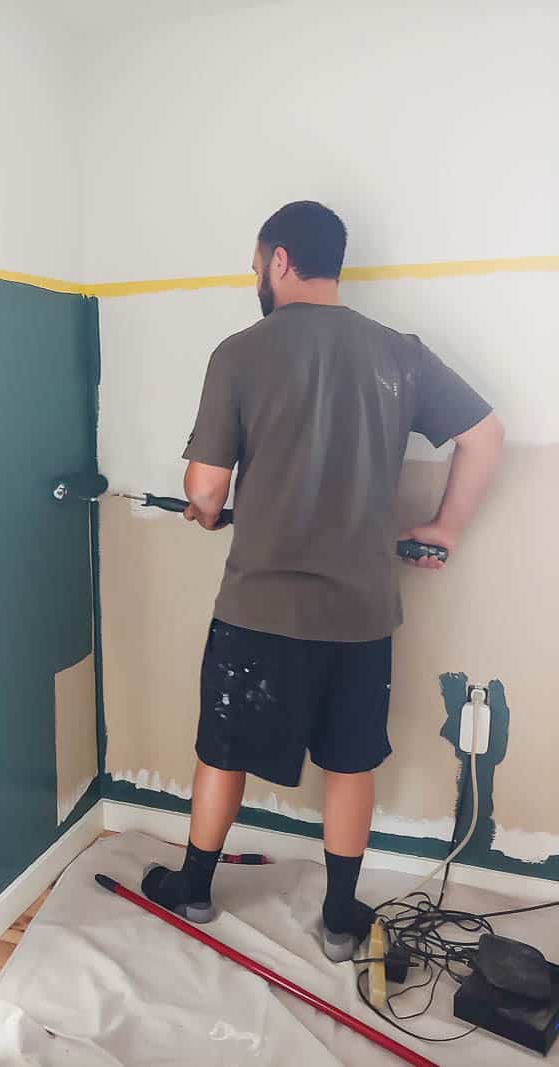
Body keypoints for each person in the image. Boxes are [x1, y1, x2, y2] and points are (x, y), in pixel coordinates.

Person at [141, 200, 505, 962]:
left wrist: (206, 514)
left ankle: (195, 887)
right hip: (361, 614)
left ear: (278, 261)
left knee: (223, 749)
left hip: (258, 608)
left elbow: (205, 491)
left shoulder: (239, 353)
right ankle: (341, 919)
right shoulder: (396, 354)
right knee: (349, 762)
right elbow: (484, 435)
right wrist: (444, 528)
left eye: (255, 266)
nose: (256, 279)